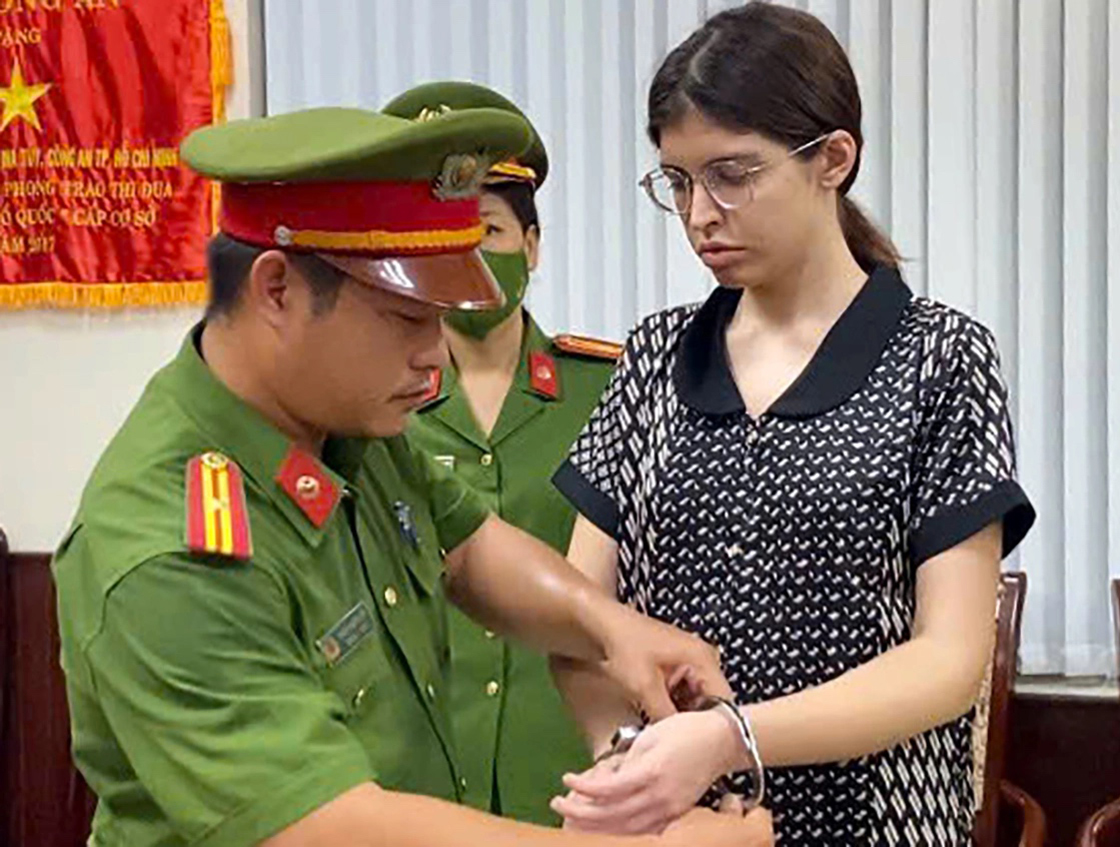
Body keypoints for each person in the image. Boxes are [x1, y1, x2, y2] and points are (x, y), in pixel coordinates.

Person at [52, 104, 771, 847]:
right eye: (405, 318)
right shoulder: (171, 549)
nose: (434, 356)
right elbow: (322, 827)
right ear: (276, 290)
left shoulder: (340, 426)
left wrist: (612, 629)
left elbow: (468, 546)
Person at [549, 3, 1036, 845]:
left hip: (877, 819)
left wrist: (731, 738)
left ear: (833, 159)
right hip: (685, 826)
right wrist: (630, 759)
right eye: (677, 181)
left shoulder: (940, 357)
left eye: (731, 175)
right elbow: (577, 617)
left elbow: (950, 658)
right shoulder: (656, 356)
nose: (700, 213)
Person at [386, 82, 617, 826]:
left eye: (489, 229)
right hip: (418, 772)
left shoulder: (608, 389)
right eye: (446, 237)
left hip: (569, 765)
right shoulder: (375, 405)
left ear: (532, 244)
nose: (471, 255)